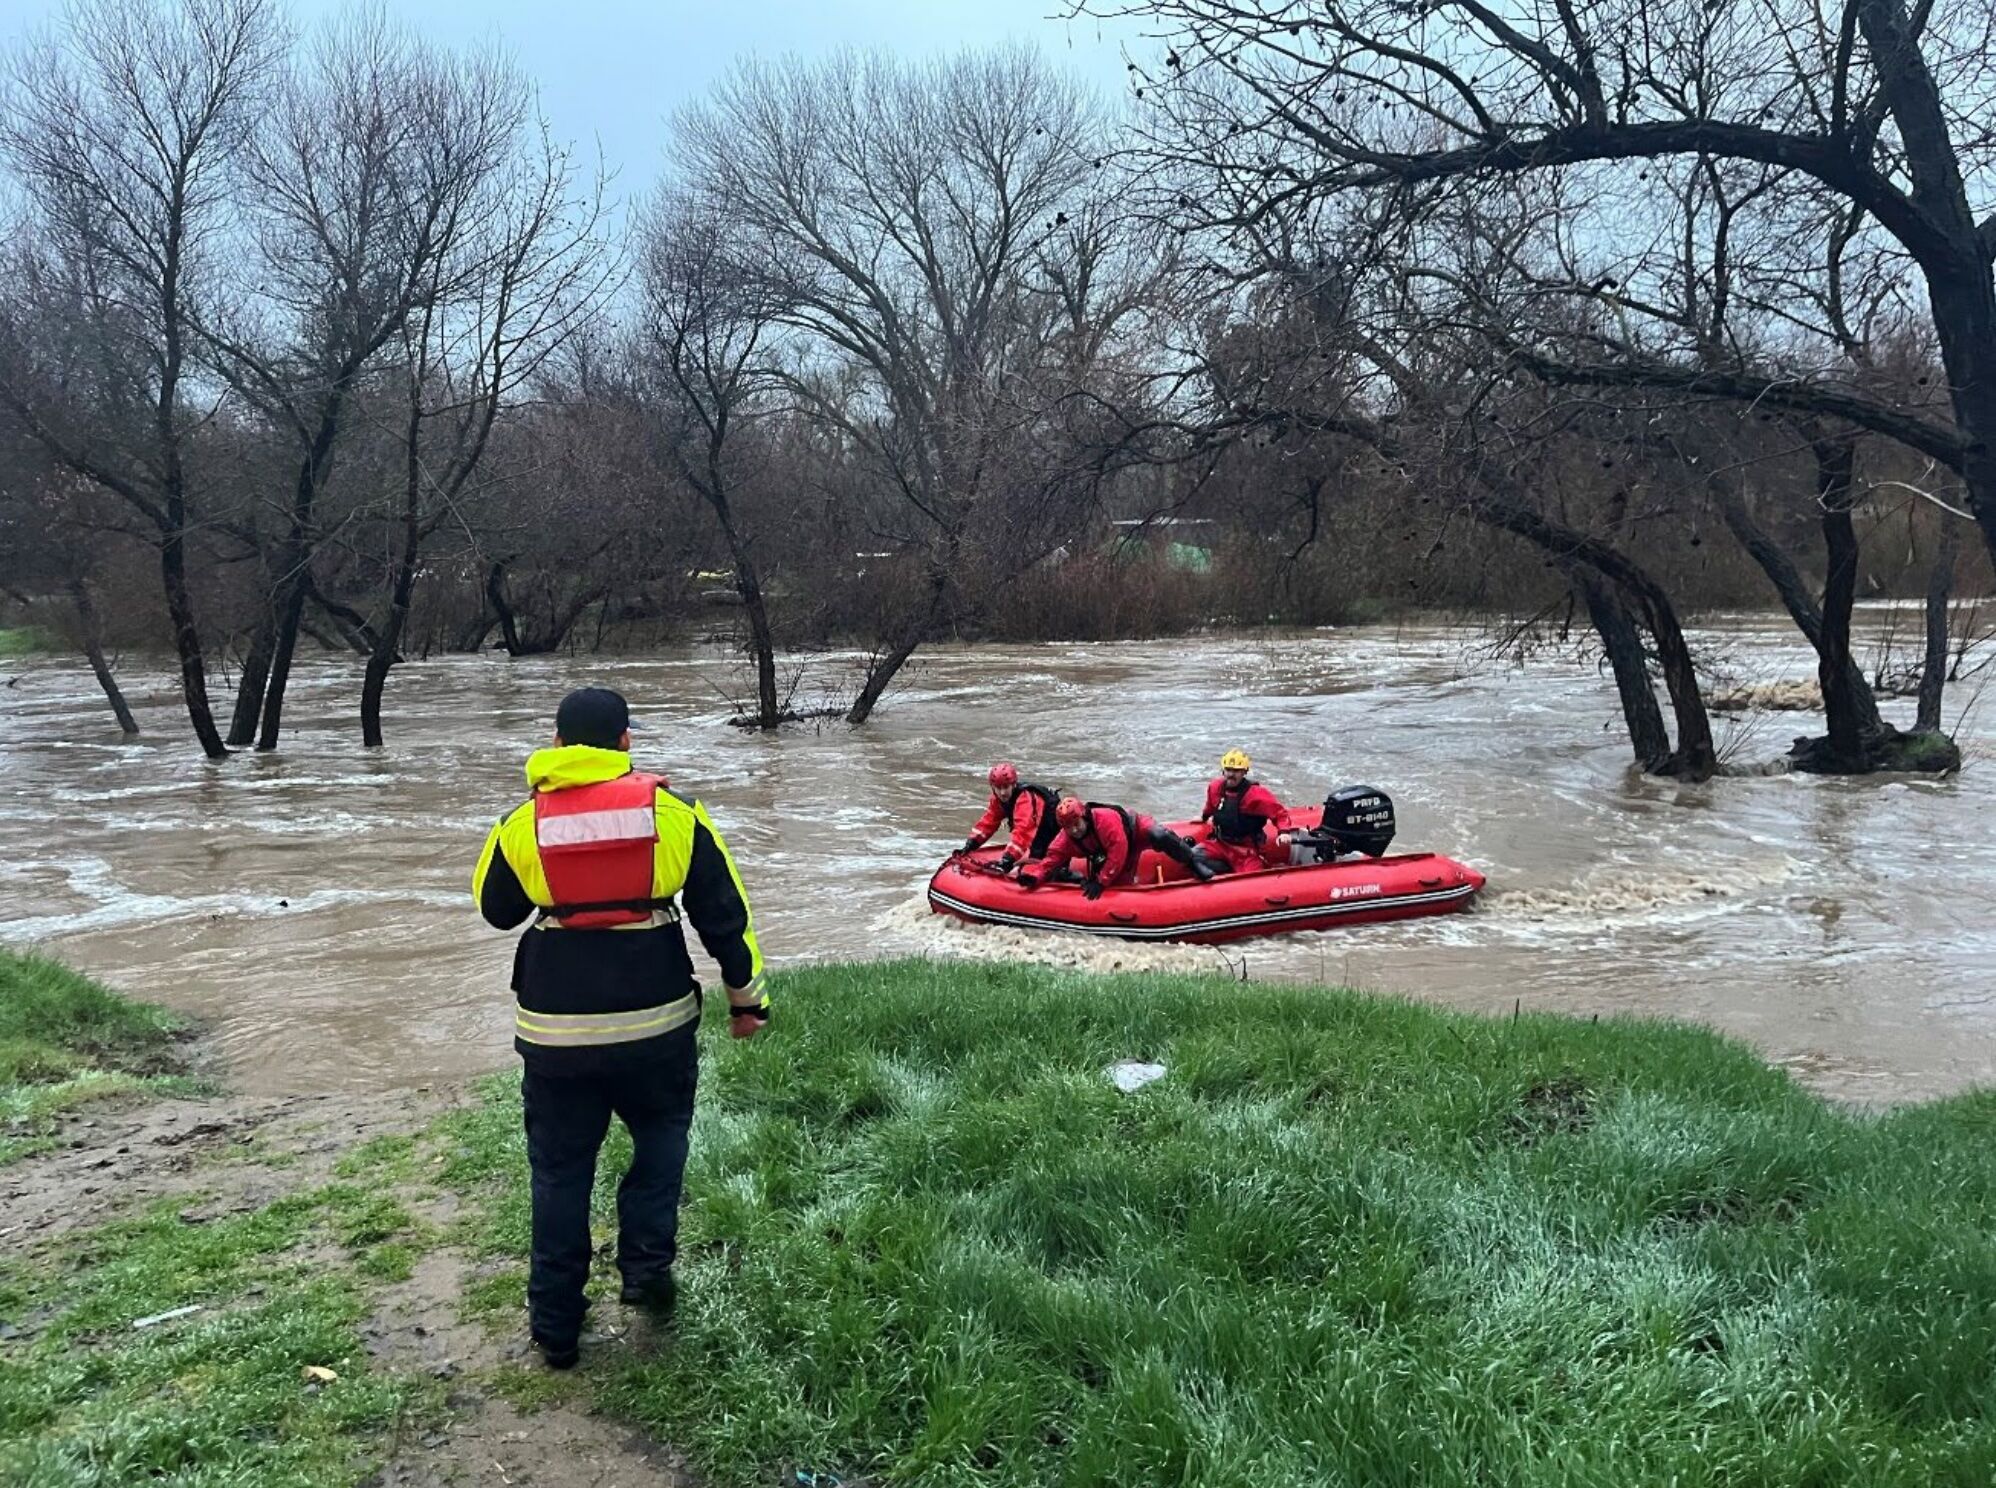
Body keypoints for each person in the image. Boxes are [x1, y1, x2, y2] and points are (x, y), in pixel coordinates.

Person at [472, 686, 769, 1371]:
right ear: (626, 742)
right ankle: (644, 1271)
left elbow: (496, 910)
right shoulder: (676, 813)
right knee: (662, 1141)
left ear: (556, 743)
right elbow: (726, 915)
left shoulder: (521, 823)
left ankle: (555, 1329)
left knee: (559, 1173)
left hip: (556, 1033)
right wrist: (746, 1001)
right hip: (656, 1026)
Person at [1020, 794, 1214, 898]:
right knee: (1119, 891)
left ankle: (1191, 859)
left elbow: (1117, 852)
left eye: (1076, 824)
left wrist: (1101, 880)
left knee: (1160, 834)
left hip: (1135, 831)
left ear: (1084, 816)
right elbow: (1051, 859)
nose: (1075, 830)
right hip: (1110, 850)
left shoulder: (1105, 820)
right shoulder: (1065, 838)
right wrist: (1035, 877)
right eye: (1068, 827)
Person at [1198, 748, 1294, 873]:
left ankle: (1233, 873)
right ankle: (1226, 872)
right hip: (1221, 844)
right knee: (1193, 856)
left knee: (1252, 881)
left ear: (1244, 772)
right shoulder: (1215, 787)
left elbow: (1280, 813)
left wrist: (1284, 832)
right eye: (1228, 770)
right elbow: (1211, 806)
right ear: (1223, 770)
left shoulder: (1256, 794)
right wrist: (1203, 817)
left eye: (1236, 771)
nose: (1231, 774)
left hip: (1246, 851)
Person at [961, 761, 1062, 871]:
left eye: (1006, 787)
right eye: (998, 788)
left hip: (1051, 829)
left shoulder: (1024, 799)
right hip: (1037, 830)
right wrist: (971, 844)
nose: (1003, 792)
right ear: (992, 788)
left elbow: (1023, 831)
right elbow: (988, 822)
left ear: (1014, 785)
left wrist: (1008, 859)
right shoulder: (997, 799)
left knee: (1040, 868)